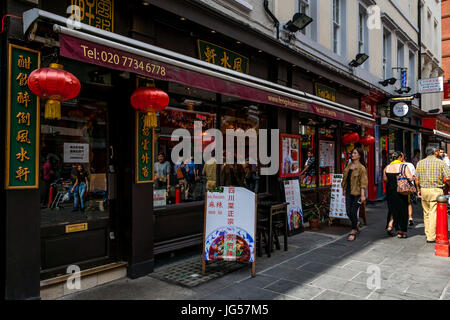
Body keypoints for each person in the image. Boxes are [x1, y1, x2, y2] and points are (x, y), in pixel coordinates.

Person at [415, 146, 450, 243]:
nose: (439, 152)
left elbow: (416, 179)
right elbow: (448, 178)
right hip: (436, 190)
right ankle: (431, 236)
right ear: (435, 152)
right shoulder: (441, 163)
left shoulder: (420, 163)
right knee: (433, 213)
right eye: (438, 151)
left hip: (424, 190)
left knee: (426, 213)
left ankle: (428, 233)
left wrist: (418, 189)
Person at [384, 152, 413, 238]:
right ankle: (400, 231)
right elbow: (410, 178)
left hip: (390, 191)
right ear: (400, 157)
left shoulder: (387, 167)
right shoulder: (403, 166)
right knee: (402, 210)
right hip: (401, 191)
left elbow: (385, 179)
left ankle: (390, 226)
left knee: (392, 209)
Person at [341, 148, 368, 241]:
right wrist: (343, 188)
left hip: (357, 192)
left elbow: (363, 182)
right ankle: (356, 223)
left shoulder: (362, 168)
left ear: (359, 155)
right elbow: (345, 178)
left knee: (353, 211)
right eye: (352, 153)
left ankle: (353, 230)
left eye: (355, 153)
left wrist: (363, 195)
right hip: (348, 191)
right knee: (348, 211)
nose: (352, 154)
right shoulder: (348, 166)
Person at [403, 156, 416, 227]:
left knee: (403, 203)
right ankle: (410, 218)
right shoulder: (411, 165)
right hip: (410, 187)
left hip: (401, 187)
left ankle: (404, 218)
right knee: (409, 203)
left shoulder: (399, 165)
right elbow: (414, 176)